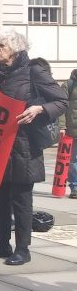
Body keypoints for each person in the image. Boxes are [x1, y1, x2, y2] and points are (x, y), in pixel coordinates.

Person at [0, 31, 66, 266]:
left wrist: (39, 110)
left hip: (23, 146)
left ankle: (23, 249)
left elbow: (61, 100)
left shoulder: (33, 71)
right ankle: (2, 244)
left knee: (21, 201)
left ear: (15, 49)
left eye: (1, 46)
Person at [66, 68, 77, 199]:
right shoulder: (69, 84)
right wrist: (62, 126)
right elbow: (62, 105)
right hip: (72, 129)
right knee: (73, 160)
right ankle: (74, 187)